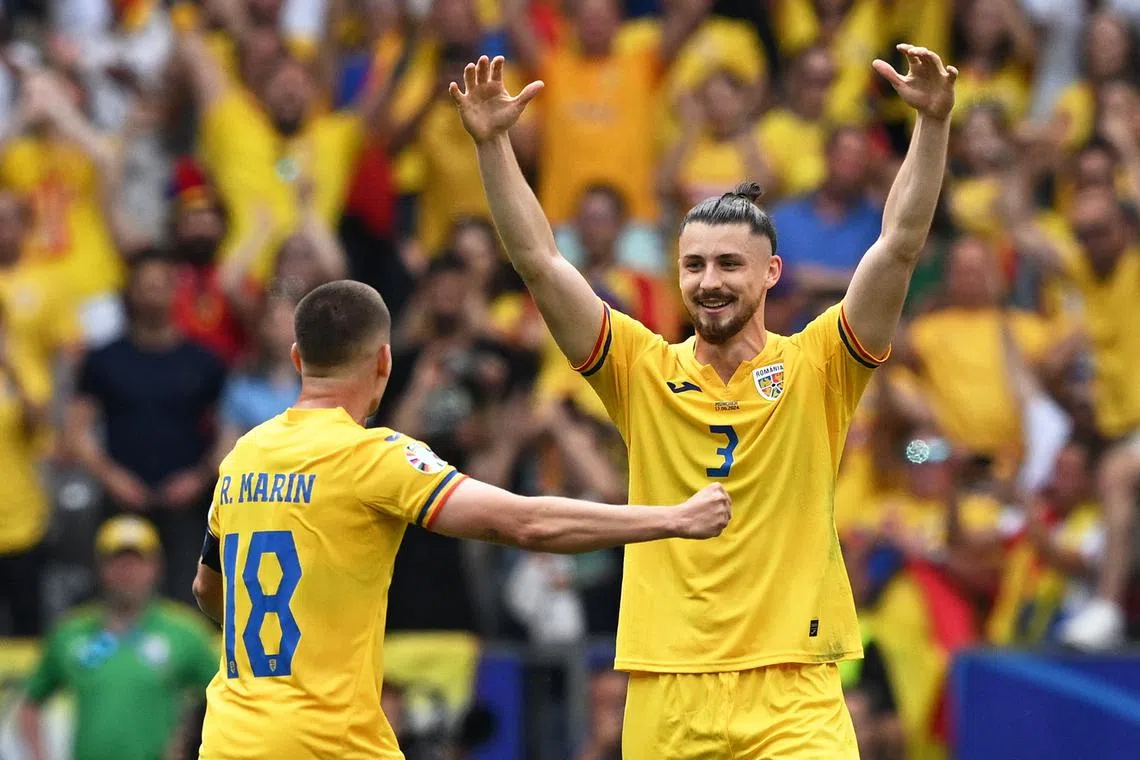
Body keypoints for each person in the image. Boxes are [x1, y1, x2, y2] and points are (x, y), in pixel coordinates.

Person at [453, 44, 956, 757]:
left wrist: (931, 127)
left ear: (771, 272)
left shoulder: (819, 366)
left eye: (728, 264)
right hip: (669, 689)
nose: (708, 281)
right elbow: (540, 261)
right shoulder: (639, 369)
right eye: (693, 264)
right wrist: (495, 145)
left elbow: (897, 246)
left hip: (793, 690)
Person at [191, 280, 732, 759]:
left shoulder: (243, 456)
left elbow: (208, 589)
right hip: (326, 743)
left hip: (231, 738)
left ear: (296, 359)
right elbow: (526, 524)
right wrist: (672, 518)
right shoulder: (372, 456)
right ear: (384, 361)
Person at [19, 515, 218, 760]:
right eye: (117, 562)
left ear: (156, 567)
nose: (127, 573)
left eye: (137, 562)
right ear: (100, 567)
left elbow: (221, 695)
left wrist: (189, 741)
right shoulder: (71, 633)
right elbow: (30, 703)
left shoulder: (185, 631)